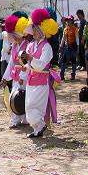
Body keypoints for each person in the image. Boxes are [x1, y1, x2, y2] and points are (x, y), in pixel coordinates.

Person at [22, 8, 59, 138]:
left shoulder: (47, 47)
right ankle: (37, 128)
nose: (35, 31)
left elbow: (42, 65)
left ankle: (40, 125)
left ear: (43, 31)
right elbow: (29, 64)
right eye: (34, 29)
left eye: (37, 29)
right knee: (28, 106)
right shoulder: (30, 45)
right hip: (31, 80)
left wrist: (30, 59)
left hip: (42, 81)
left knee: (35, 105)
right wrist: (24, 68)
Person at [2, 12, 29, 128]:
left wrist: (23, 77)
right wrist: (5, 77)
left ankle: (25, 118)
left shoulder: (27, 45)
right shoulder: (14, 46)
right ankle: (15, 119)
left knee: (23, 96)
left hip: (25, 74)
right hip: (15, 75)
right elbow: (11, 63)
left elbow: (28, 63)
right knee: (14, 96)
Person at [60, 15, 78, 81]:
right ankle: (61, 75)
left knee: (73, 61)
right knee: (64, 61)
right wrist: (61, 46)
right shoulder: (65, 29)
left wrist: (78, 47)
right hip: (67, 47)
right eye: (67, 20)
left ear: (72, 21)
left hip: (73, 47)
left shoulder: (75, 29)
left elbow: (77, 38)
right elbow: (63, 38)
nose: (68, 21)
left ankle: (73, 75)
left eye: (69, 20)